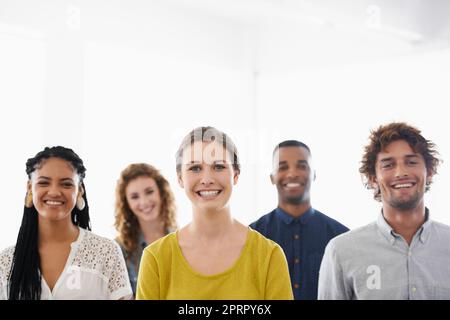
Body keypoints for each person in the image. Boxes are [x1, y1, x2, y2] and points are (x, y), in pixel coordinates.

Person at [136, 127, 293, 300]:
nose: (207, 179)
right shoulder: (156, 259)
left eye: (218, 166)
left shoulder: (269, 256)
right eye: (195, 168)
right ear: (180, 178)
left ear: (236, 175)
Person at [318, 122, 450, 300]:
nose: (401, 172)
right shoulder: (341, 251)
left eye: (411, 162)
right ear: (373, 178)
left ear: (430, 171)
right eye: (388, 165)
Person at [0, 146, 132, 300]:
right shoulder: (7, 260)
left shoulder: (106, 252)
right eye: (44, 183)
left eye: (66, 184)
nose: (54, 192)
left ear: (80, 190)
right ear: (30, 187)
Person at [250, 140, 349, 300]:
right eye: (283, 167)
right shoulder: (252, 237)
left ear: (314, 174)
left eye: (302, 166)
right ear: (271, 177)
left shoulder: (341, 238)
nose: (292, 173)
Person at [114, 163, 177, 296]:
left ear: (161, 193)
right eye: (135, 197)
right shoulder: (118, 250)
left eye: (149, 192)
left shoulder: (182, 240)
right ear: (127, 204)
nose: (144, 202)